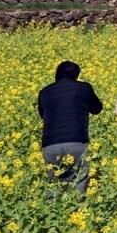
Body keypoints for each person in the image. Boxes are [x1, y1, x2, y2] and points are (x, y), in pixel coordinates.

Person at [37, 60, 103, 194]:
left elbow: (43, 115)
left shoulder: (44, 92)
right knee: (78, 183)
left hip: (50, 145)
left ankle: (53, 213)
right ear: (76, 75)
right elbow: (97, 108)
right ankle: (76, 212)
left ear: (56, 74)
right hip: (76, 142)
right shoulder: (84, 88)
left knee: (53, 186)